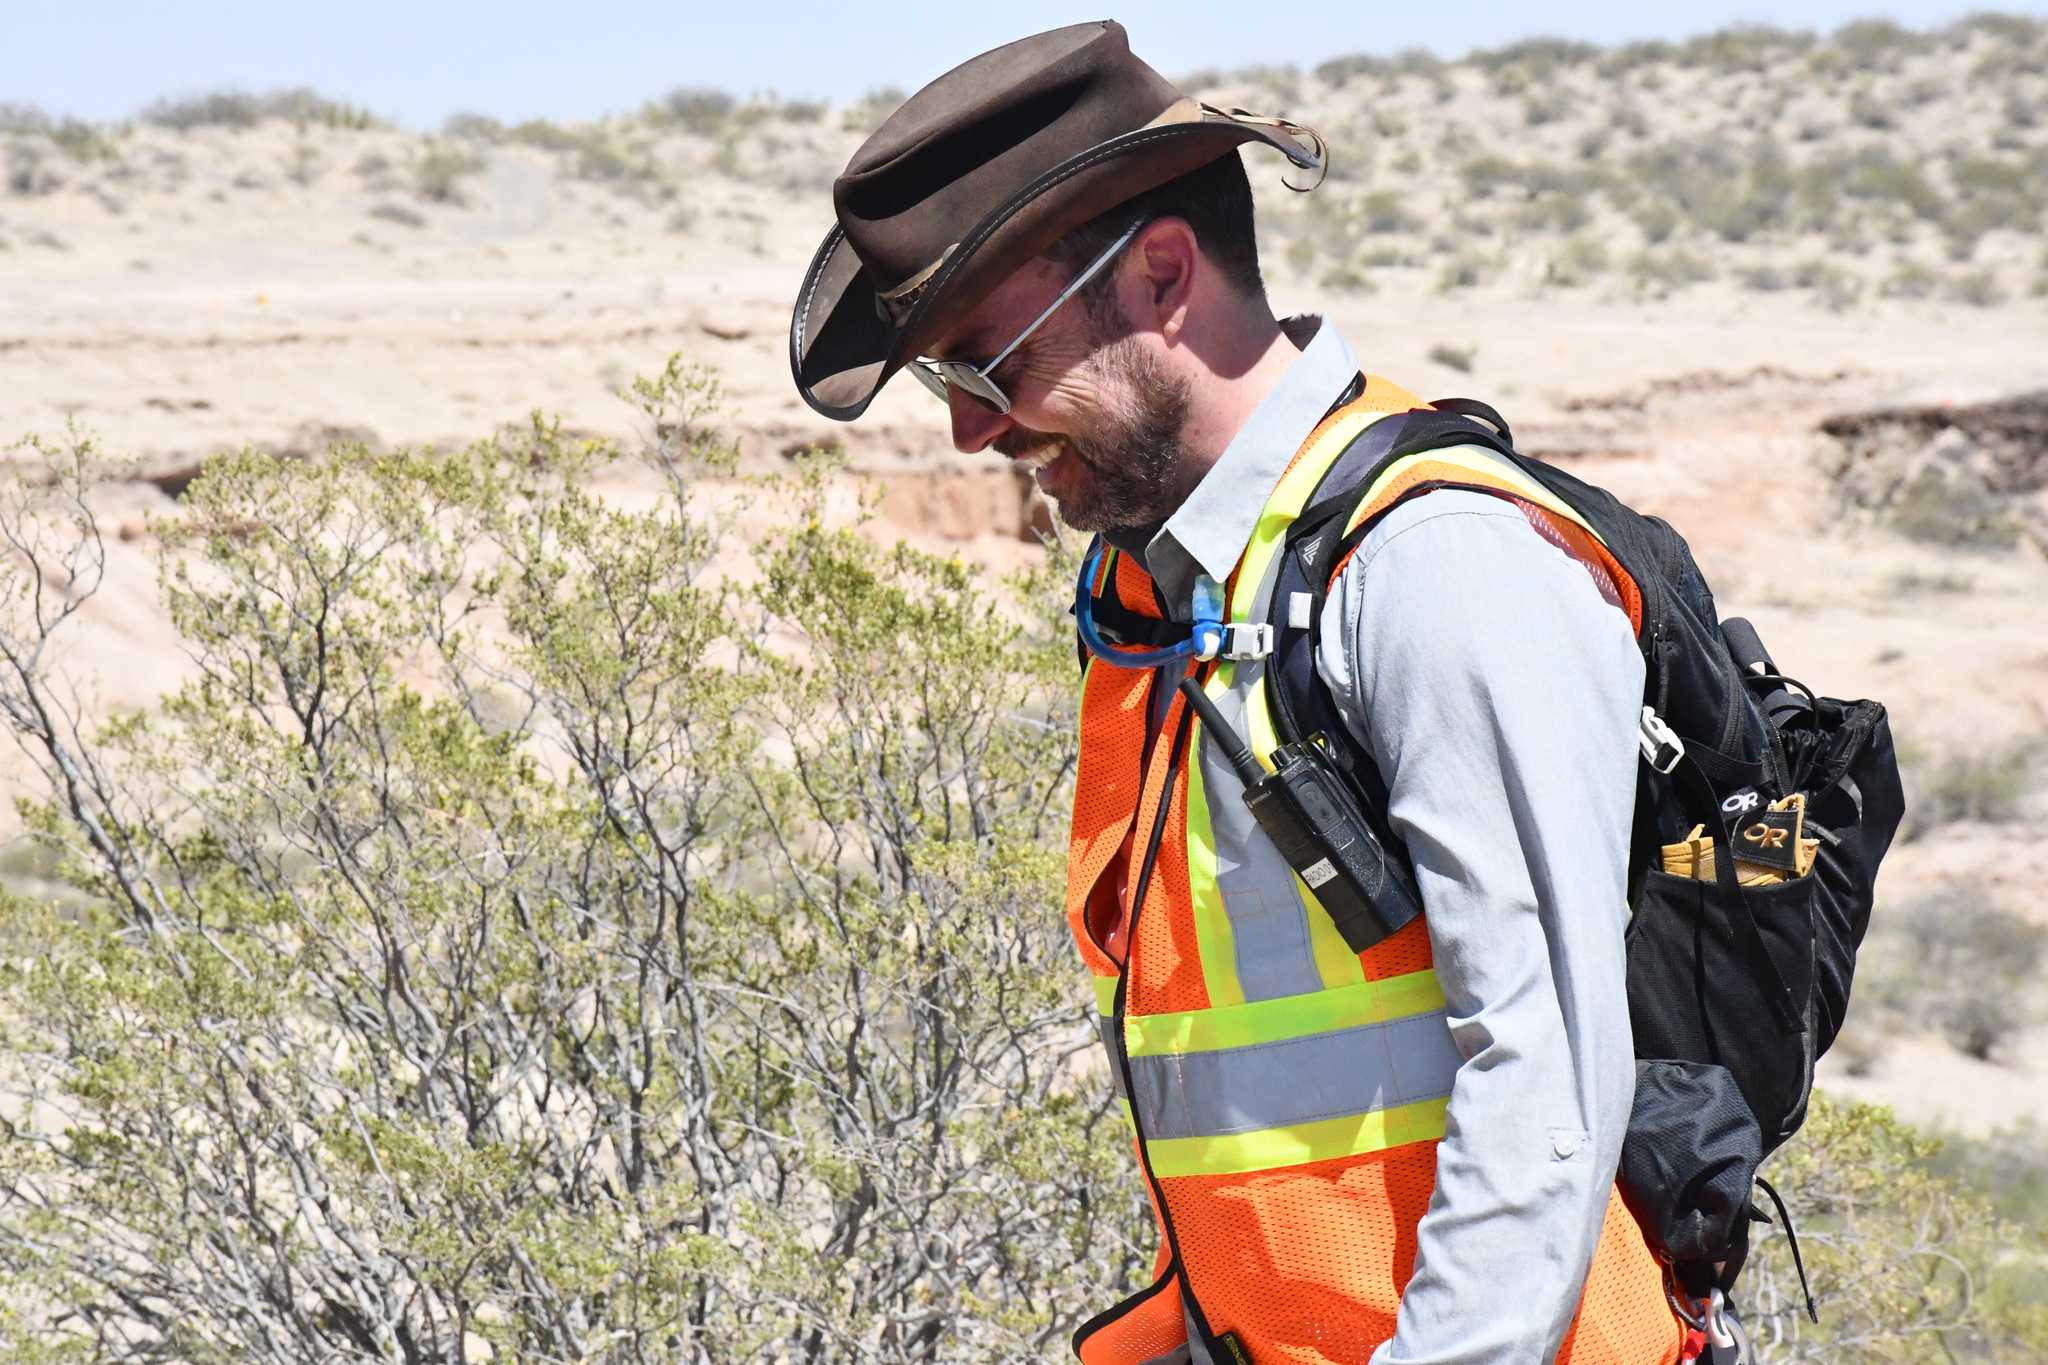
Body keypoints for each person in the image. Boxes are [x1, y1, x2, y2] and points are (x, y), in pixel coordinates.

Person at [790, 21, 1687, 1365]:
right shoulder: (1175, 597)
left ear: (1160, 276)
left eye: (988, 364)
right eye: (943, 383)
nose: (971, 429)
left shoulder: (1435, 565)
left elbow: (1546, 1082)